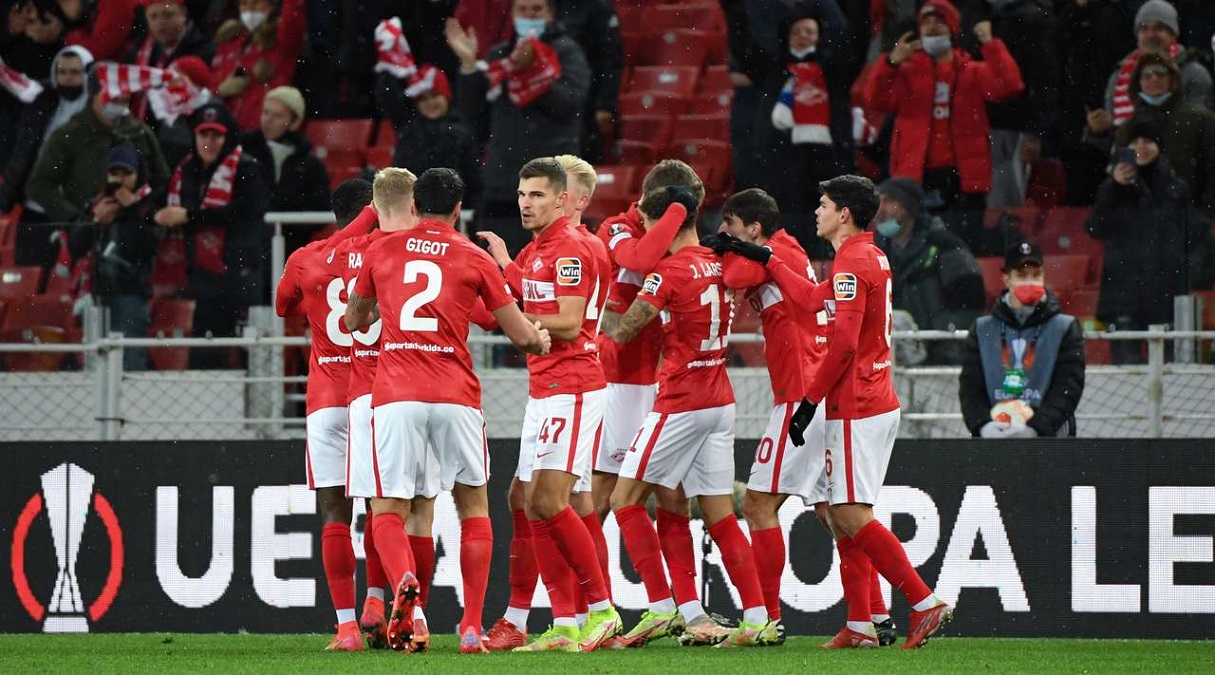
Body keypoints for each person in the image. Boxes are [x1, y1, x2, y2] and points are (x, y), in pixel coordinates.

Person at [723, 175, 953, 649]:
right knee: (841, 514)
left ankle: (923, 601)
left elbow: (845, 343)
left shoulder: (852, 260)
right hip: (874, 397)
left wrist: (810, 402)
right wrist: (765, 258)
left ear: (844, 214)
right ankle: (864, 620)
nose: (817, 211)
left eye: (825, 204)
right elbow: (812, 300)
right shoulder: (869, 255)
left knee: (846, 512)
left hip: (855, 402)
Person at [345, 167, 550, 654]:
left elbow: (354, 320)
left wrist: (379, 305)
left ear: (415, 205)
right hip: (455, 395)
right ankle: (472, 626)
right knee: (473, 508)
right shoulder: (474, 257)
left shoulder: (382, 250)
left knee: (388, 509)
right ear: (459, 210)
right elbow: (519, 335)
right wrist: (539, 339)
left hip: (396, 395)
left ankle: (407, 590)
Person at [603, 185, 776, 648]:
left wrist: (594, 317)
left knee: (624, 500)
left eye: (648, 224)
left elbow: (627, 330)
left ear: (664, 223)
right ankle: (757, 618)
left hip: (681, 401)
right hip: (719, 399)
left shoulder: (669, 270)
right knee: (720, 515)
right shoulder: (720, 261)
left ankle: (662, 608)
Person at [591, 159, 728, 647]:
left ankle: (685, 610)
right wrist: (673, 217)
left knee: (673, 498)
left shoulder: (674, 240)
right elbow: (643, 257)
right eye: (687, 207)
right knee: (603, 498)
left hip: (667, 380)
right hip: (623, 380)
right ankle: (593, 610)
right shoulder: (617, 228)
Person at [495, 157, 621, 652]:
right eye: (521, 194)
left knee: (548, 501)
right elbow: (529, 299)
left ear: (563, 200)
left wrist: (510, 317)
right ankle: (566, 624)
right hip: (546, 386)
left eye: (537, 195)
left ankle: (601, 611)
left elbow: (568, 323)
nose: (525, 203)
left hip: (571, 386)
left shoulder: (569, 248)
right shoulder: (541, 248)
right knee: (527, 500)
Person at [322, 173, 440, 648]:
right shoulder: (429, 253)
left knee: (378, 506)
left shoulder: (339, 253)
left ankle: (373, 605)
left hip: (365, 396)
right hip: (426, 390)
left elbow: (331, 310)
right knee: (421, 511)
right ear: (413, 205)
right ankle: (416, 614)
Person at [273, 178, 386, 653]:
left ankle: (345, 629)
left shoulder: (307, 256)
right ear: (372, 210)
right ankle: (377, 601)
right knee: (383, 508)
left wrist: (313, 287)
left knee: (335, 512)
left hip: (326, 399)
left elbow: (282, 306)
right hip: (375, 394)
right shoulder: (387, 251)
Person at [445, 0, 592, 256]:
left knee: (547, 266)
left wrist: (533, 70)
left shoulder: (567, 52)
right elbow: (472, 110)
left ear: (550, 13)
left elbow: (569, 103)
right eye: (523, 9)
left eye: (537, 9)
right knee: (497, 265)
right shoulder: (501, 55)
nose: (530, 15)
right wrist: (469, 64)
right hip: (503, 181)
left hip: (551, 183)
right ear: (512, 14)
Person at [861, 0, 1023, 227]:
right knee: (915, 242)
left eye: (939, 22)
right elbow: (874, 100)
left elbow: (1009, 85)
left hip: (963, 177)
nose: (932, 27)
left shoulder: (971, 70)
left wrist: (990, 43)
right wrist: (890, 62)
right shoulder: (906, 72)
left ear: (952, 29)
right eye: (926, 22)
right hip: (915, 175)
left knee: (964, 239)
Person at [723, 0, 855, 258]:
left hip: (826, 165)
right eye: (796, 32)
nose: (803, 37)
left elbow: (850, 37)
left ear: (820, 36)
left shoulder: (834, 72)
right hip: (781, 169)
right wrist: (733, 9)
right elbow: (742, 45)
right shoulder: (771, 71)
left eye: (809, 31)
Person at [153, 102, 270, 368]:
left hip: (237, 273)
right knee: (204, 348)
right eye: (203, 134)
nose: (209, 142)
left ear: (226, 137)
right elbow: (160, 203)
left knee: (234, 351)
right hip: (199, 273)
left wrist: (190, 216)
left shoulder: (246, 168)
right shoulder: (184, 170)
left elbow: (248, 210)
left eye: (216, 135)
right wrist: (157, 215)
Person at [1087, 118, 1213, 364]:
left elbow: (1195, 234)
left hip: (1166, 295)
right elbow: (1095, 228)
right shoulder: (1111, 189)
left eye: (1148, 141)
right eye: (1134, 141)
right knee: (1126, 374)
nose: (1141, 147)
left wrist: (1188, 273)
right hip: (1123, 297)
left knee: (1173, 371)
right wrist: (1115, 189)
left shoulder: (1176, 188)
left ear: (1160, 147)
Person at [24, 65, 169, 269]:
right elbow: (40, 185)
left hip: (133, 239)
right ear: (94, 93)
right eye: (113, 92)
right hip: (85, 242)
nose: (120, 98)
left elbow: (163, 181)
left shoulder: (141, 133)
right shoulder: (70, 134)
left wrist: (140, 210)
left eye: (124, 92)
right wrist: (78, 218)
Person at [959, 241, 1085, 437]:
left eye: (1036, 275)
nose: (1030, 281)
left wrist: (1036, 429)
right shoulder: (982, 328)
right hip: (995, 436)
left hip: (1051, 438)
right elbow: (970, 388)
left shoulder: (1065, 327)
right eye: (1022, 275)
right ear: (1006, 278)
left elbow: (1068, 388)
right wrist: (983, 425)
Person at [873, 177, 986, 365]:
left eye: (889, 201)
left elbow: (970, 306)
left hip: (945, 359)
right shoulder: (876, 253)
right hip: (896, 359)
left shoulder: (946, 246)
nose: (880, 209)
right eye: (878, 201)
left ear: (909, 207)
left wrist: (931, 335)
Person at [67, 143, 159, 371]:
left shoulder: (148, 205)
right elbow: (75, 247)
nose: (120, 179)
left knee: (128, 368)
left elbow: (149, 244)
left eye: (127, 173)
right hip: (97, 297)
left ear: (138, 175)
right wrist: (95, 221)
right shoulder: (97, 203)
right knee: (95, 370)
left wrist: (132, 210)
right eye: (114, 173)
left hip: (130, 297)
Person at [1084, 0, 1213, 150]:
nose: (1151, 35)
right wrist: (1099, 131)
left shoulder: (1193, 73)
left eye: (1159, 28)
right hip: (1127, 162)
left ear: (1173, 35)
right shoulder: (1118, 78)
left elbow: (1199, 130)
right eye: (1144, 28)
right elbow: (1109, 148)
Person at [373, 60, 482, 225]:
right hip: (409, 215)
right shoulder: (408, 127)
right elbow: (387, 97)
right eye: (423, 98)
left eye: (435, 95)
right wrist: (389, 66)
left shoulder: (464, 128)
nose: (430, 103)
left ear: (446, 96)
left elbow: (473, 180)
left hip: (452, 218)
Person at [1111, 51, 1215, 218]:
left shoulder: (1201, 120)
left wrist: (1206, 215)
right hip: (1142, 220)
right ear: (1138, 82)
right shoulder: (1129, 127)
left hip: (1191, 218)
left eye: (1160, 73)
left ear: (1172, 80)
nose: (1153, 79)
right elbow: (1123, 171)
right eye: (1146, 75)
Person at [0, 44, 92, 215]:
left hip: (74, 206)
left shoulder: (98, 109)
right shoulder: (41, 102)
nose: (67, 78)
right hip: (33, 202)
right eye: (62, 72)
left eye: (74, 72)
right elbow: (23, 152)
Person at [240, 85, 331, 254]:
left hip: (291, 249)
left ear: (295, 122)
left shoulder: (310, 164)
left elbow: (321, 209)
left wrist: (285, 222)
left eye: (277, 115)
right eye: (266, 112)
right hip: (247, 249)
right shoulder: (241, 151)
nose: (268, 120)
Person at [211, 0, 306, 131]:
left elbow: (293, 18)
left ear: (271, 5)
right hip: (227, 132)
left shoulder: (281, 41)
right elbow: (209, 86)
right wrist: (220, 91)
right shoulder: (229, 41)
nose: (250, 8)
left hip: (264, 132)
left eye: (256, 2)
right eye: (244, 4)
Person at [124, 0, 216, 124]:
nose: (160, 22)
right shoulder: (139, 50)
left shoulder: (204, 50)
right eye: (153, 16)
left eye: (168, 15)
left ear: (183, 14)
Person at [554, 0, 622, 164]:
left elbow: (611, 60)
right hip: (553, 106)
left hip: (587, 104)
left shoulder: (596, 7)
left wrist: (605, 105)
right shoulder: (545, 6)